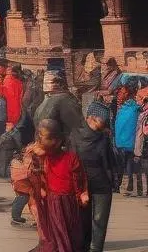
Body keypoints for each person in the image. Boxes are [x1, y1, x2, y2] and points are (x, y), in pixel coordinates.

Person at [27, 118, 88, 252]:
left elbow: (78, 180)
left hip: (68, 202)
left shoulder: (70, 158)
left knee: (66, 234)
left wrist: (81, 196)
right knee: (58, 235)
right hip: (52, 201)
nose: (39, 140)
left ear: (57, 140)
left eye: (43, 136)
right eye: (39, 135)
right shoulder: (40, 156)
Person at [71, 102, 116, 252]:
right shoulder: (104, 139)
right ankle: (93, 248)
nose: (103, 123)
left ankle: (87, 247)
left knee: (88, 220)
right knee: (97, 221)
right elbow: (110, 163)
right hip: (96, 184)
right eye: (101, 120)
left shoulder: (75, 135)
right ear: (91, 117)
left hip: (88, 184)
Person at [34, 71, 83, 143]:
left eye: (48, 82)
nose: (45, 84)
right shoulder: (57, 98)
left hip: (51, 145)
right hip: (50, 145)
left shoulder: (60, 99)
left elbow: (76, 128)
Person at [113, 84, 142, 197]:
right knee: (123, 164)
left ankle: (127, 186)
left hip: (129, 141)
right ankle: (121, 185)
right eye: (120, 92)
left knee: (128, 164)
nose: (121, 94)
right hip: (120, 141)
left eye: (124, 92)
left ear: (128, 93)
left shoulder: (134, 106)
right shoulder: (121, 106)